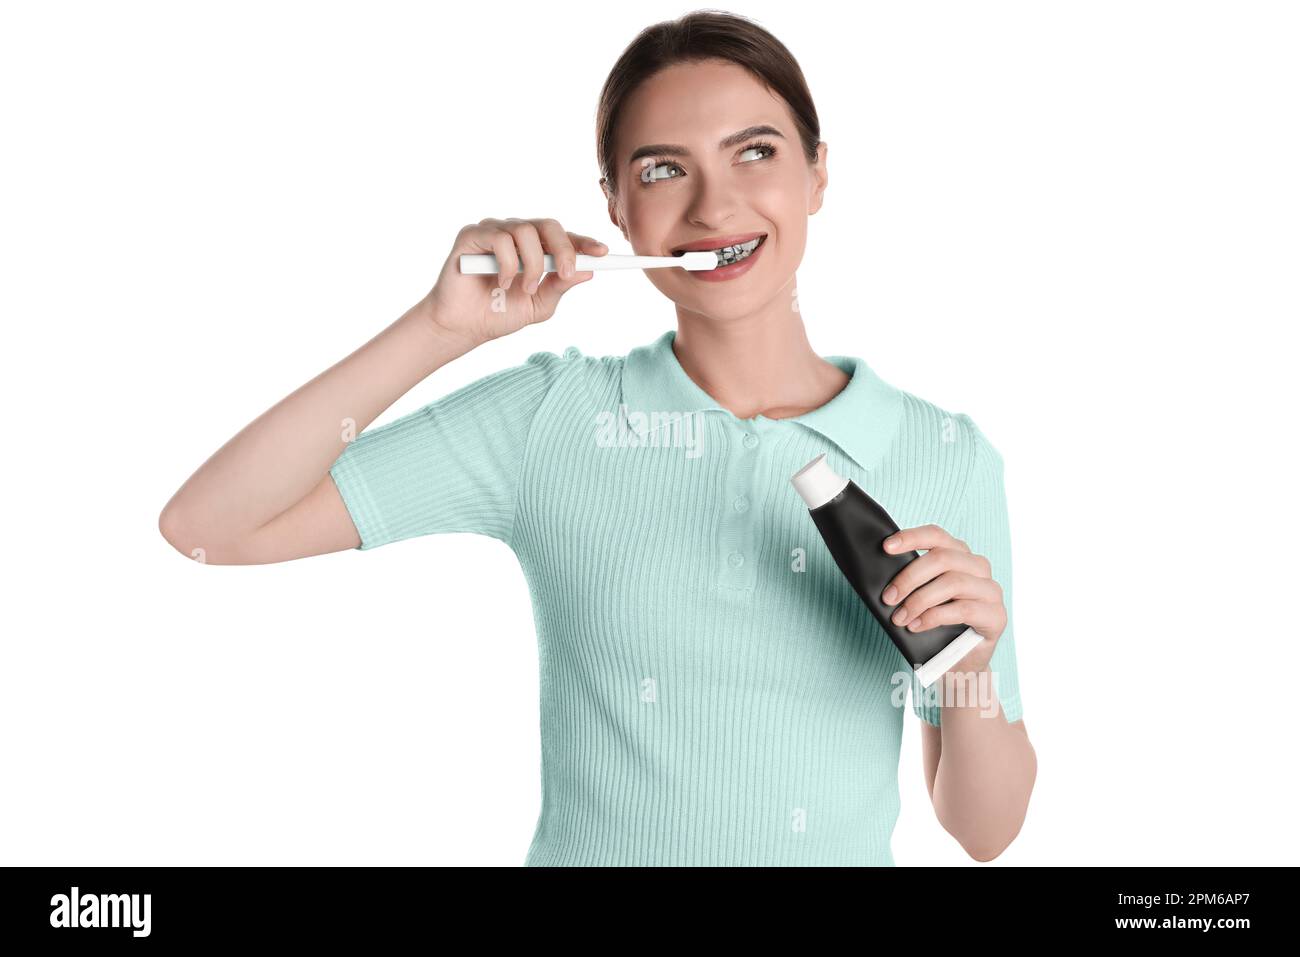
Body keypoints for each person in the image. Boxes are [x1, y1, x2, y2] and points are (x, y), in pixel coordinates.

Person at [159, 10, 1036, 866]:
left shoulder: (945, 455)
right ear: (616, 207)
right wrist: (440, 328)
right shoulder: (554, 418)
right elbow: (210, 526)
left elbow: (983, 832)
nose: (714, 204)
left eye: (756, 152)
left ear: (818, 174)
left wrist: (969, 671)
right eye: (663, 170)